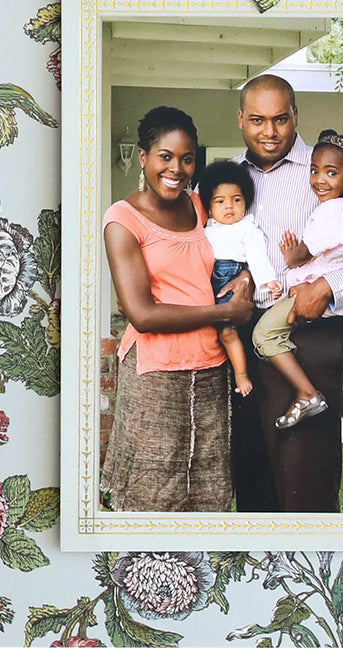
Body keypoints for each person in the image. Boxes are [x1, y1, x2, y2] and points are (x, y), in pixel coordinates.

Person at [229, 75, 343, 512]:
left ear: (295, 116)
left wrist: (329, 286)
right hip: (241, 336)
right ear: (241, 121)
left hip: (309, 334)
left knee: (305, 482)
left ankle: (313, 566)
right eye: (257, 120)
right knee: (253, 479)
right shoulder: (227, 177)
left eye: (280, 119)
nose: (269, 132)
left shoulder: (332, 167)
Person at [100, 107, 253, 512]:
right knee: (151, 490)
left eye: (187, 159)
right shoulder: (123, 219)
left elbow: (230, 255)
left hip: (210, 367)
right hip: (155, 372)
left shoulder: (200, 207)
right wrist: (223, 313)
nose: (177, 168)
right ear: (143, 157)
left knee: (208, 485)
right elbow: (142, 314)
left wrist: (246, 279)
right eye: (165, 156)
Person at [253, 128, 343, 429]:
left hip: (317, 291)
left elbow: (303, 255)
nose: (319, 180)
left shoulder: (330, 215)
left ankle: (307, 394)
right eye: (315, 170)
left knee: (264, 335)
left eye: (331, 173)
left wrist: (290, 254)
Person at [197, 159, 280, 397]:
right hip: (206, 283)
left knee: (227, 332)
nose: (229, 207)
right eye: (220, 201)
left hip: (229, 276)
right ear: (209, 208)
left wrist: (267, 281)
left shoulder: (247, 229)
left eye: (237, 200)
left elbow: (257, 258)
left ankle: (241, 375)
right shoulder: (206, 228)